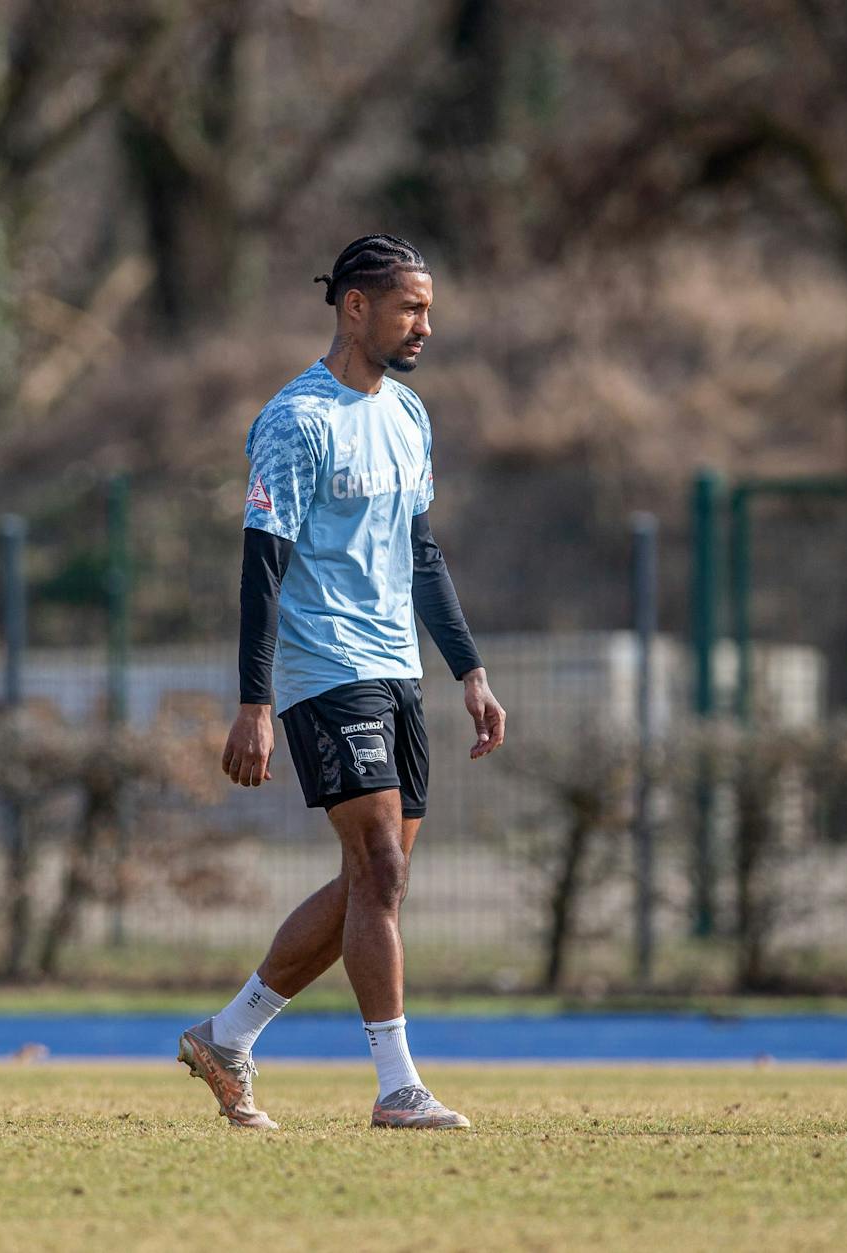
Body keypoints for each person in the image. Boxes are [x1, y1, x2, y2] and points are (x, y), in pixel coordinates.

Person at [180, 236, 507, 1132]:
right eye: (410, 307)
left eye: (429, 308)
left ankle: (228, 1034)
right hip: (325, 670)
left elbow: (422, 553)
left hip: (398, 667)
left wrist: (468, 669)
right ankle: (398, 1084)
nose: (425, 325)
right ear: (355, 307)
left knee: (377, 885)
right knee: (381, 865)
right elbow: (262, 566)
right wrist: (254, 701)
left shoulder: (408, 414)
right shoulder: (296, 421)